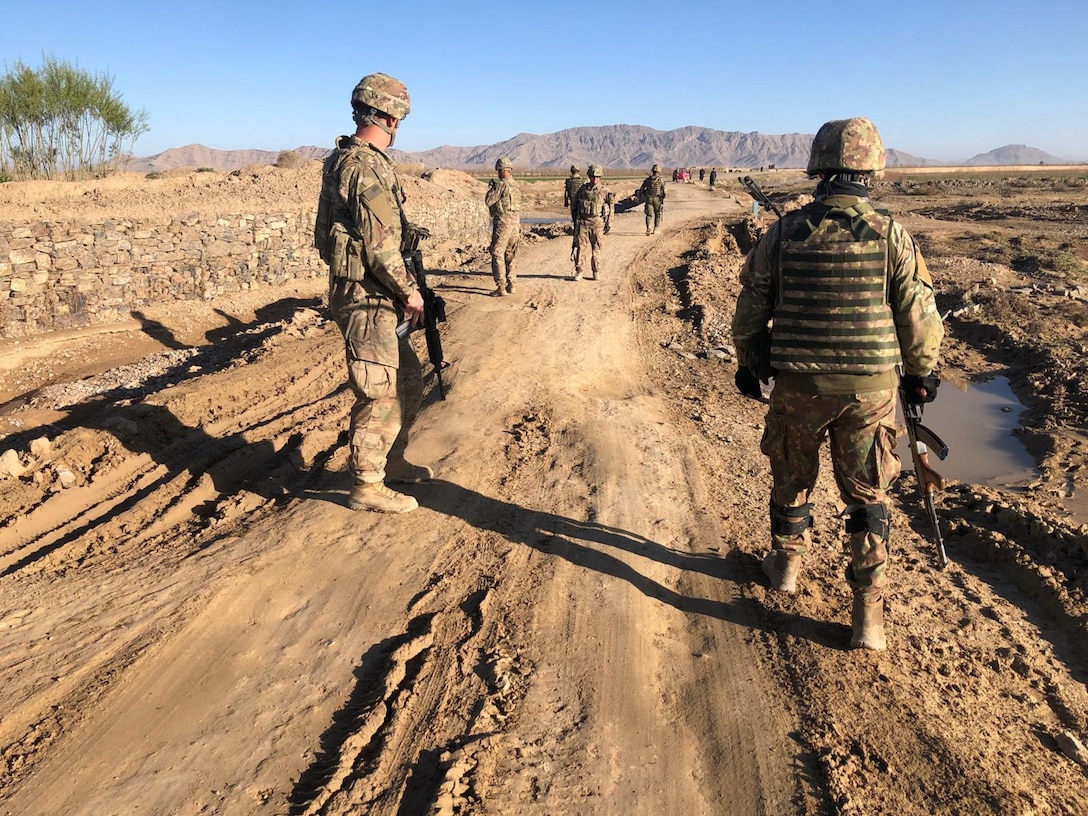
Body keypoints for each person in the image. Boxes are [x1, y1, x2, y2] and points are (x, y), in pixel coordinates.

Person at [730, 117, 943, 651]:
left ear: (819, 169)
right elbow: (917, 314)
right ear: (872, 170)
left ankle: (784, 567)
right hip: (869, 392)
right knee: (867, 497)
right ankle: (868, 618)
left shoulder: (783, 232)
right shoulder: (892, 235)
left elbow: (751, 305)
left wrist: (751, 362)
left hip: (798, 386)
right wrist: (921, 375)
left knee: (792, 475)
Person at [314, 72, 435, 514]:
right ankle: (366, 484)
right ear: (390, 115)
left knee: (407, 380)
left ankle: (391, 460)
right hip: (368, 296)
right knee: (379, 390)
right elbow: (380, 244)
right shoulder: (362, 164)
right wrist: (411, 292)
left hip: (376, 292)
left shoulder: (357, 159)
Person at [485, 157, 521, 296]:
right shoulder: (516, 185)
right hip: (516, 223)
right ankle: (512, 284)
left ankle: (501, 286)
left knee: (497, 252)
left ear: (501, 170)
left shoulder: (502, 185)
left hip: (503, 223)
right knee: (511, 253)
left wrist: (491, 188)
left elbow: (489, 201)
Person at [570, 164, 608, 281]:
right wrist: (576, 221)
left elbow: (610, 208)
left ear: (600, 177)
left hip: (597, 223)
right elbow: (575, 206)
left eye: (597, 177)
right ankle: (579, 271)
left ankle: (596, 271)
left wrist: (608, 223)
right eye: (592, 176)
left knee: (596, 248)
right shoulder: (583, 189)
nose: (594, 179)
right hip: (583, 222)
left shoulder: (604, 191)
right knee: (581, 248)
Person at [639, 164, 666, 235]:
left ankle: (648, 227)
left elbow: (641, 190)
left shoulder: (647, 180)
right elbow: (664, 191)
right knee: (658, 214)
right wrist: (662, 198)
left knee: (649, 215)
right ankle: (655, 229)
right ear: (659, 171)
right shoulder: (661, 180)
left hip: (648, 199)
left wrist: (641, 197)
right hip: (657, 199)